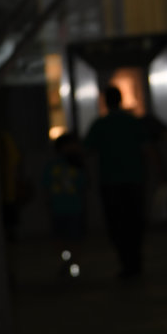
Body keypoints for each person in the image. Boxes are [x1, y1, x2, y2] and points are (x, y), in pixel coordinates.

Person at [84, 84, 153, 278]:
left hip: (112, 182)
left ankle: (128, 262)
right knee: (134, 222)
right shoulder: (132, 122)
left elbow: (87, 150)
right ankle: (134, 261)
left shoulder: (101, 124)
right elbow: (147, 149)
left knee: (117, 224)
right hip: (132, 179)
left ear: (105, 102)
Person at [42, 131, 86, 278]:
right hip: (57, 209)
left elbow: (83, 187)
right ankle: (66, 262)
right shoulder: (52, 166)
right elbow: (46, 188)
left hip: (74, 209)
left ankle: (74, 266)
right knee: (61, 240)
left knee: (75, 239)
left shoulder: (78, 166)